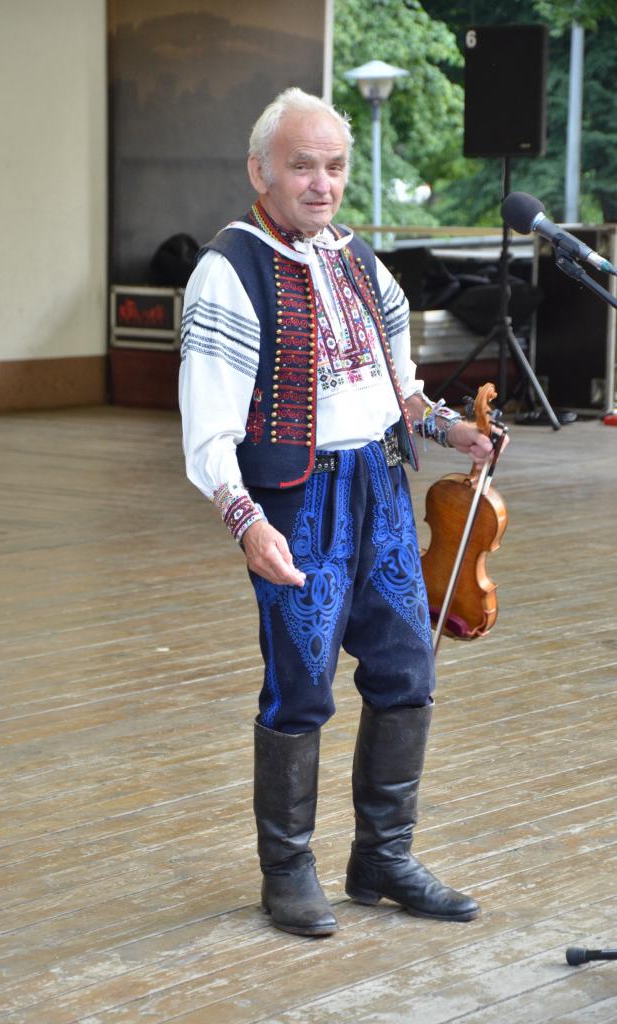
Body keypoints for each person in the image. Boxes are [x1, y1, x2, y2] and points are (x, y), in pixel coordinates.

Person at [179, 88, 505, 938]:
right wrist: (246, 521)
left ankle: (383, 858)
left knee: (407, 672)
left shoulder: (360, 260)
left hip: (380, 485)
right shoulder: (230, 269)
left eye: (334, 166)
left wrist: (449, 430)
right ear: (260, 171)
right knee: (300, 687)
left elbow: (399, 387)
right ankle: (287, 869)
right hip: (300, 500)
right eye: (302, 166)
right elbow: (207, 428)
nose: (321, 183)